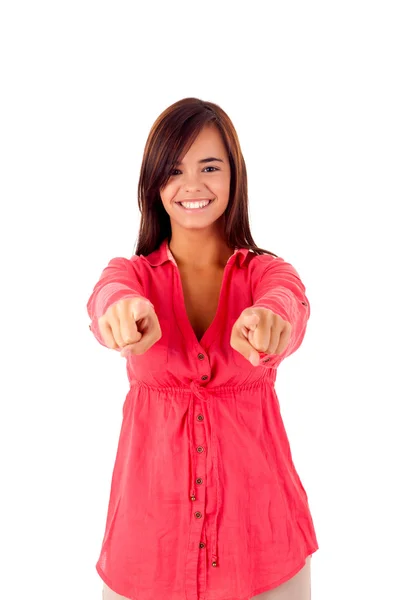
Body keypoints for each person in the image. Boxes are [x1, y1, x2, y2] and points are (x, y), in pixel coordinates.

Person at [87, 97, 319, 600]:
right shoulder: (129, 277)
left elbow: (289, 303)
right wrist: (121, 313)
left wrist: (271, 321)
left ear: (235, 176)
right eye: (173, 170)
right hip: (147, 554)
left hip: (263, 552)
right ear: (155, 184)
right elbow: (106, 301)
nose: (192, 185)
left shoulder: (266, 274)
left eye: (209, 167)